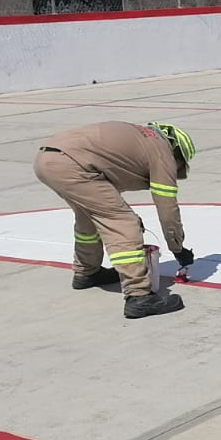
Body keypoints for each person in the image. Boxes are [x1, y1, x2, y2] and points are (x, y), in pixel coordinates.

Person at [32, 121, 197, 319]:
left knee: (88, 217)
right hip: (72, 163)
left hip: (47, 159)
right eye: (179, 165)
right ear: (176, 152)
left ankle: (87, 272)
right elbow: (167, 207)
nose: (175, 170)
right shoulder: (162, 152)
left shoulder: (141, 139)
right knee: (122, 222)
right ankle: (139, 296)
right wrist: (177, 247)